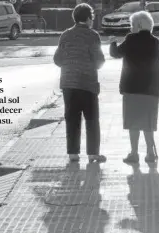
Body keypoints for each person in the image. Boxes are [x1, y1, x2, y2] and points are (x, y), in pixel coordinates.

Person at [109, 11, 159, 163]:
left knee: (133, 122)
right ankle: (150, 153)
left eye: (132, 24)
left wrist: (113, 42)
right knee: (148, 123)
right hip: (151, 90)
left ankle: (134, 153)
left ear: (139, 25)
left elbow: (116, 53)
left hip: (132, 88)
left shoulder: (131, 39)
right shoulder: (157, 42)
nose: (130, 27)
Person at [53, 3, 106, 163]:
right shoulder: (92, 35)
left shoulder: (65, 35)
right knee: (91, 118)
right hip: (87, 83)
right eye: (92, 17)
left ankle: (73, 154)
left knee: (72, 118)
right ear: (89, 18)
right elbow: (99, 60)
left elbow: (57, 59)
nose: (93, 19)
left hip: (68, 84)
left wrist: (70, 66)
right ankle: (93, 154)